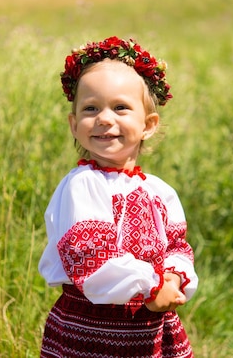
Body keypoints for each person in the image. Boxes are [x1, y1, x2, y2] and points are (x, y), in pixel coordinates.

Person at [38, 36, 198, 358]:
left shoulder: (158, 190)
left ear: (148, 125)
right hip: (92, 330)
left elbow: (178, 246)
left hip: (153, 328)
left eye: (120, 107)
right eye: (90, 108)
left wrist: (173, 277)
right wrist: (151, 287)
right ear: (74, 124)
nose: (104, 119)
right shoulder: (83, 185)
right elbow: (89, 252)